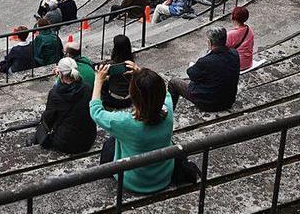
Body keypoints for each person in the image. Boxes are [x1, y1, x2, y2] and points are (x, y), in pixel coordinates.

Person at [90, 63, 174, 192]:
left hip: (133, 181)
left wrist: (98, 81)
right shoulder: (168, 108)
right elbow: (164, 93)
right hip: (164, 176)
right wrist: (142, 74)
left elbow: (96, 111)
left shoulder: (125, 123)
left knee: (110, 142)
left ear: (133, 96)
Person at [168, 27, 240, 111]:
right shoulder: (234, 53)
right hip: (228, 101)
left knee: (173, 82)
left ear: (210, 42)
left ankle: (169, 112)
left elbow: (191, 74)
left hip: (209, 104)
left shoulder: (206, 61)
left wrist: (202, 59)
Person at [34, 57, 96, 153]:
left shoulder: (55, 94)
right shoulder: (87, 88)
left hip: (66, 143)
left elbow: (48, 119)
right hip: (89, 138)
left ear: (61, 73)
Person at [226, 7, 256, 71]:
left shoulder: (231, 34)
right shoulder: (249, 30)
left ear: (233, 17)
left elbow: (222, 49)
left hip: (237, 65)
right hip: (248, 62)